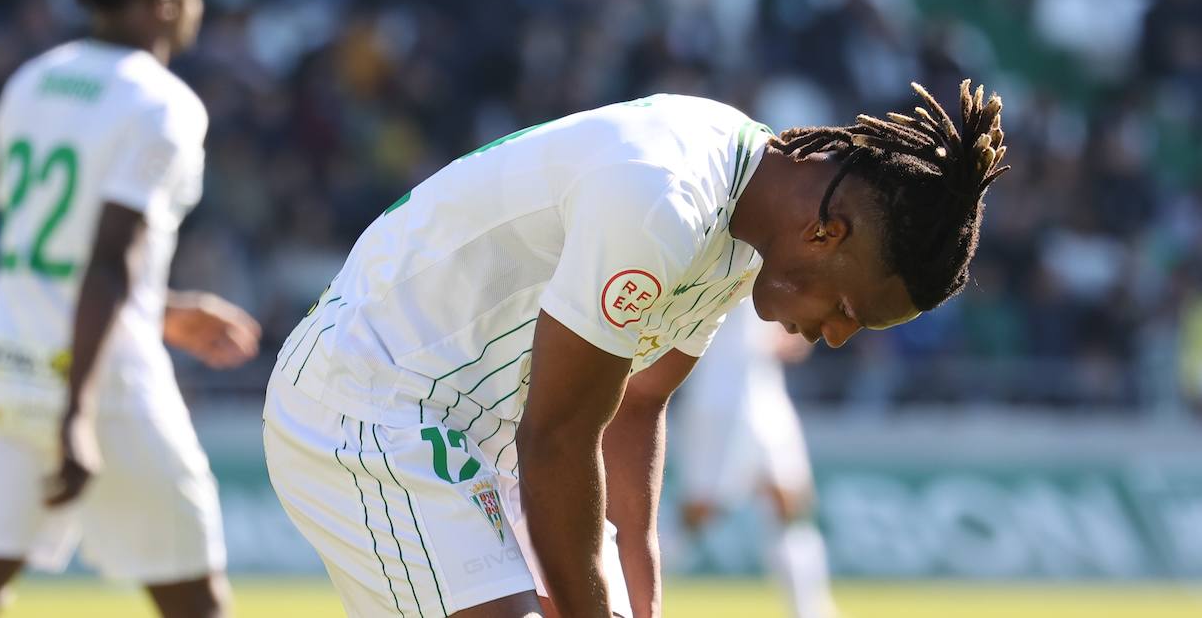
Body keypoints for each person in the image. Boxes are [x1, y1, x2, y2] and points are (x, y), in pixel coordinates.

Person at [262, 80, 1009, 617]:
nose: (837, 335)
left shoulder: (750, 228)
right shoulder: (665, 199)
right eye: (848, 309)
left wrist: (637, 568)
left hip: (484, 434)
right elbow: (558, 437)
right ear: (826, 233)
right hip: (369, 402)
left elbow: (638, 400)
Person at [0, 0, 260, 618]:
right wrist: (74, 413)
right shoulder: (162, 104)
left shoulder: (30, 83)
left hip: (3, 366)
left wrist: (161, 308)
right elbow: (105, 263)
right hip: (103, 382)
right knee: (197, 602)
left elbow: (56, 253)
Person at [675, 300, 839, 618]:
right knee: (700, 510)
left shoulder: (775, 260)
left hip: (764, 390)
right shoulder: (726, 255)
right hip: (720, 395)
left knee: (790, 502)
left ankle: (812, 610)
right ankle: (632, 590)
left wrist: (792, 334)